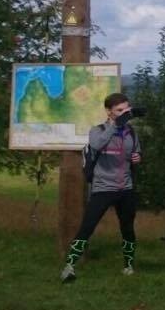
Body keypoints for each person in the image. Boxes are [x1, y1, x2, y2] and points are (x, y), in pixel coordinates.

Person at [61, 92, 144, 283]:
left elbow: (136, 152)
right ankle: (69, 266)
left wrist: (137, 157)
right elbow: (97, 144)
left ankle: (129, 265)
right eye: (119, 110)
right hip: (103, 188)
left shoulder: (131, 132)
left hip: (126, 187)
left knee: (127, 228)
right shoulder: (97, 130)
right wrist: (115, 125)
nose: (125, 113)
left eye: (127, 109)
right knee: (87, 227)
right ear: (109, 112)